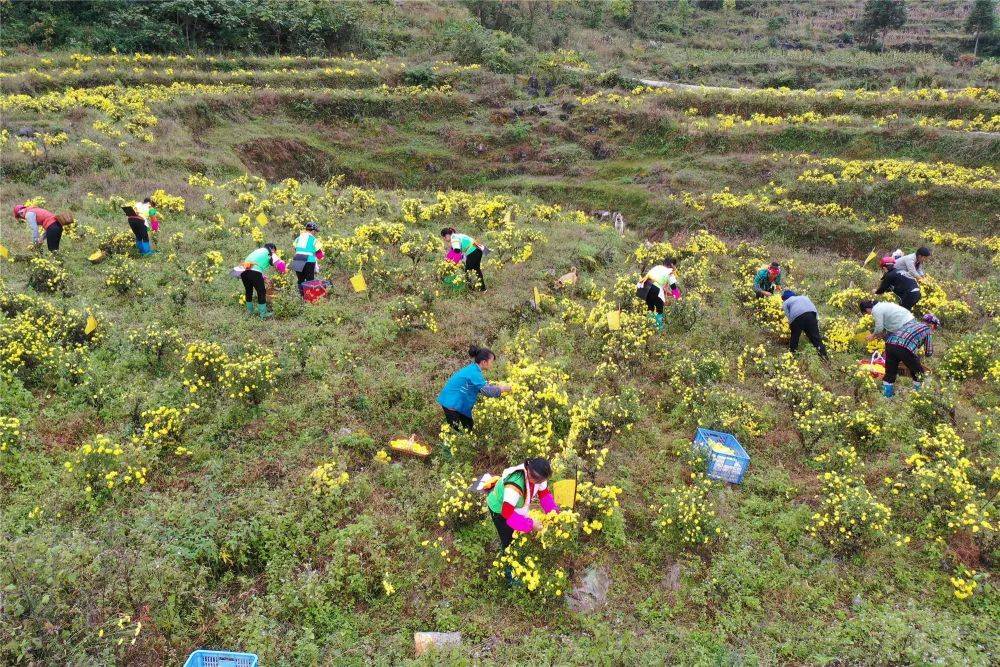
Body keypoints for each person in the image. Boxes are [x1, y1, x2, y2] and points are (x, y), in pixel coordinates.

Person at [486, 457, 559, 581]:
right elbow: (507, 514)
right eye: (535, 479)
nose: (539, 482)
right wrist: (531, 525)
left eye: (541, 480)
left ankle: (514, 558)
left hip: (512, 507)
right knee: (508, 540)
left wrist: (554, 513)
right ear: (528, 470)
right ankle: (509, 573)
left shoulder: (538, 476)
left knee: (516, 533)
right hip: (499, 510)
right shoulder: (515, 484)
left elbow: (544, 494)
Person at [436, 345, 511, 431]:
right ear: (484, 362)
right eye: (491, 362)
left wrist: (492, 385)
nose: (492, 364)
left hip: (453, 400)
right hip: (451, 403)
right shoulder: (474, 373)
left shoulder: (473, 368)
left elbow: (478, 385)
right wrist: (503, 389)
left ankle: (465, 440)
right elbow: (487, 391)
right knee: (455, 431)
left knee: (468, 426)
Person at [882, 314, 939, 398]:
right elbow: (928, 352)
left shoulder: (911, 323)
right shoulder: (927, 330)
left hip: (889, 344)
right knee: (919, 374)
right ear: (932, 325)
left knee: (890, 373)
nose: (934, 330)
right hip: (905, 348)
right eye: (935, 327)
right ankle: (916, 397)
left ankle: (887, 397)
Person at [240, 243, 286, 319]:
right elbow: (280, 265)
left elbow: (254, 267)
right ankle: (263, 314)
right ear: (272, 249)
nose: (274, 253)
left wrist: (264, 278)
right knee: (261, 292)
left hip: (243, 271)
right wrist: (284, 269)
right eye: (274, 251)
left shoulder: (258, 251)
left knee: (248, 291)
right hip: (254, 273)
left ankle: (250, 311)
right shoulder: (269, 252)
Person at [781, 290, 828, 360]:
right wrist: (816, 320)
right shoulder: (804, 297)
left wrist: (792, 327)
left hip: (796, 317)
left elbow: (789, 315)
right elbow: (814, 308)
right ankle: (824, 357)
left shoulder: (786, 302)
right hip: (811, 315)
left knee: (795, 337)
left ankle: (792, 356)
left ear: (785, 298)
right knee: (816, 338)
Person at [639, 259, 681, 331]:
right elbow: (673, 287)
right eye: (674, 266)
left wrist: (668, 293)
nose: (674, 268)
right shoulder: (669, 272)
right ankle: (659, 329)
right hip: (654, 287)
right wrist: (678, 297)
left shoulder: (657, 267)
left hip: (643, 286)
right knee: (659, 308)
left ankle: (649, 327)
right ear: (671, 265)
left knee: (650, 307)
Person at [291, 222, 325, 294]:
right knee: (310, 281)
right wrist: (322, 256)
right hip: (308, 260)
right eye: (315, 232)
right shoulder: (313, 239)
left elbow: (294, 248)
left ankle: (302, 298)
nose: (315, 233)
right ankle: (309, 299)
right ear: (313, 231)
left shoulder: (298, 238)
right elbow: (319, 254)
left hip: (297, 259)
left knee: (300, 280)